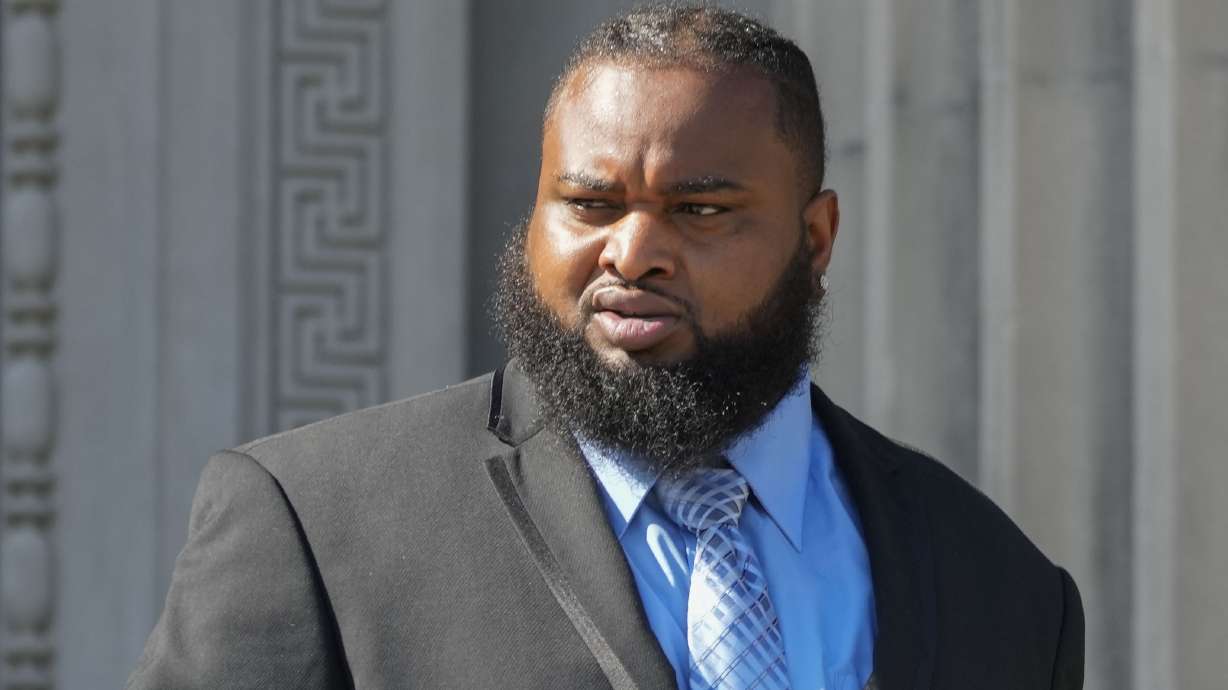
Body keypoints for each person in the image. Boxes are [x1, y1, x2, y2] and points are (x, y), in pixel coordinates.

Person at [128, 5, 1083, 690]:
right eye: (589, 205)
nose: (631, 253)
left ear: (816, 239)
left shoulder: (997, 586)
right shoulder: (316, 527)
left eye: (701, 210)